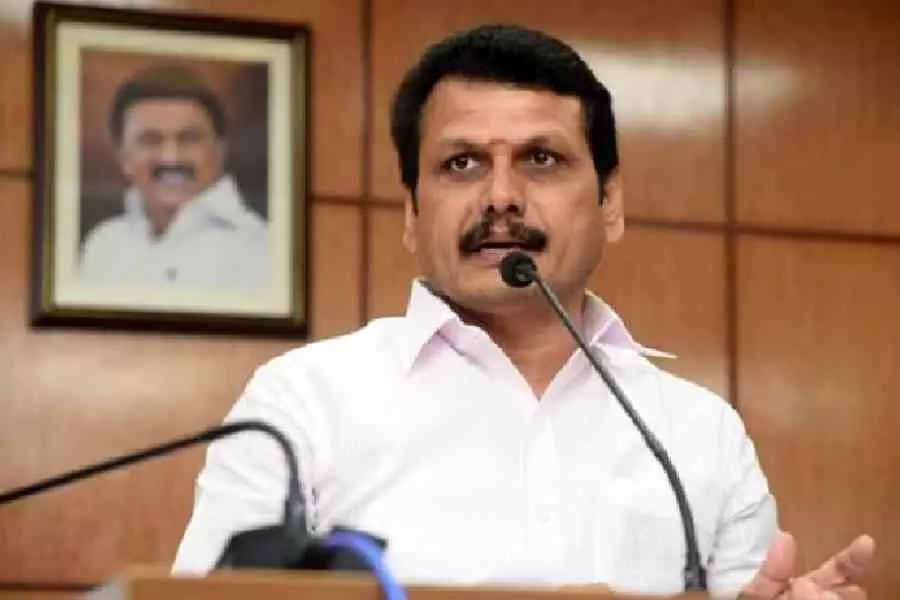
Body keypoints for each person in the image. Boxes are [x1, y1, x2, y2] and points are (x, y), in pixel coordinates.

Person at [173, 25, 874, 598]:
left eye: (541, 159)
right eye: (462, 164)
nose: (501, 197)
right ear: (412, 212)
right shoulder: (300, 406)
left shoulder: (699, 436)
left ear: (610, 203)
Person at [79, 64, 270, 291]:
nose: (171, 158)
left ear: (220, 151)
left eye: (189, 139)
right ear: (124, 158)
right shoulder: (102, 246)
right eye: (150, 140)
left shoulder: (262, 249)